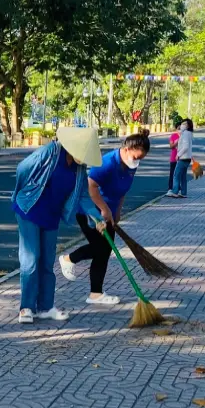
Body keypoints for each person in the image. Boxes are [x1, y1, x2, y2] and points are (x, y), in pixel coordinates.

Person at [12, 127, 105, 324]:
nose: (84, 158)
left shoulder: (79, 169)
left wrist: (98, 218)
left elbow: (82, 197)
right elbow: (22, 169)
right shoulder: (51, 152)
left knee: (47, 261)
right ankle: (26, 307)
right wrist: (25, 192)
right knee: (31, 260)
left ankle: (45, 307)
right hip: (30, 209)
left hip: (51, 215)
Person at [60, 130, 151, 305]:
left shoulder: (131, 164)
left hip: (109, 211)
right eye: (135, 156)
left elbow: (123, 190)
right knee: (100, 248)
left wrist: (117, 211)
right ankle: (68, 259)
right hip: (91, 211)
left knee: (105, 251)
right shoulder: (107, 163)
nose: (137, 161)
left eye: (141, 158)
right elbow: (90, 186)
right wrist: (104, 209)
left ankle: (95, 294)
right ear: (126, 149)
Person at [168, 118, 194, 198]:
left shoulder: (185, 134)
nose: (182, 125)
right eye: (182, 123)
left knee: (176, 175)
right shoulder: (189, 133)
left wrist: (178, 155)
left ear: (188, 126)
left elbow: (185, 147)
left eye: (184, 124)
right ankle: (183, 192)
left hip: (183, 158)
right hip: (187, 158)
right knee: (183, 176)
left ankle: (175, 192)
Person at [166, 123, 181, 195]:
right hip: (174, 158)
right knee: (172, 173)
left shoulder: (185, 137)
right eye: (179, 128)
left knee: (180, 174)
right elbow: (171, 146)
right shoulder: (173, 136)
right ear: (176, 129)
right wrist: (177, 142)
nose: (180, 130)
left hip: (182, 158)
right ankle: (170, 189)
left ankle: (179, 188)